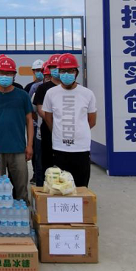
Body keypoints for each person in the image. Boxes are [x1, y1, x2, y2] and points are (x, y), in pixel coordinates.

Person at [0, 56, 34, 202]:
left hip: (18, 149)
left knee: (21, 188)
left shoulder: (22, 95)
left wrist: (29, 145)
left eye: (8, 73)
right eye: (2, 73)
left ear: (14, 75)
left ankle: (22, 211)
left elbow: (29, 120)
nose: (5, 76)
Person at [42, 53, 97, 188]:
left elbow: (92, 121)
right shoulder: (51, 93)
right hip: (59, 147)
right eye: (63, 71)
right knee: (60, 186)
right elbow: (48, 118)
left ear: (76, 72)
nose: (66, 74)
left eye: (70, 70)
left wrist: (78, 131)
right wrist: (59, 132)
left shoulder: (87, 93)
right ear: (58, 72)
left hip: (81, 148)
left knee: (81, 186)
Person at [33, 54, 61, 178]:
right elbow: (40, 110)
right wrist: (56, 123)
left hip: (67, 133)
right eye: (53, 67)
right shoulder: (42, 88)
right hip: (46, 131)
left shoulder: (74, 87)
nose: (56, 70)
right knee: (45, 165)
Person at [27, 59, 45, 186]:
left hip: (49, 125)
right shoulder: (31, 87)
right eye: (36, 70)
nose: (39, 72)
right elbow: (30, 108)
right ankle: (36, 175)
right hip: (35, 125)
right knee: (35, 152)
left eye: (41, 70)